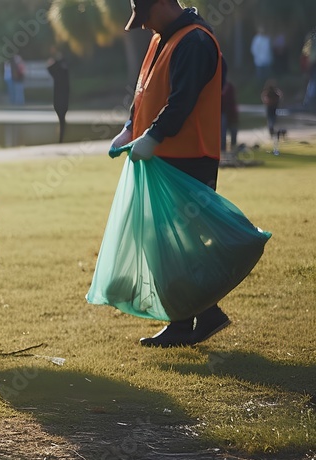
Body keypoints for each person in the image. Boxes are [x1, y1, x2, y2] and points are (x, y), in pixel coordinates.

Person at [109, 0, 230, 348]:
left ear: (164, 3)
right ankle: (190, 320)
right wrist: (131, 127)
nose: (144, 25)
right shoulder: (162, 37)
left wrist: (155, 134)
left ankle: (200, 316)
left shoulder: (195, 40)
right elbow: (145, 91)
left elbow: (183, 100)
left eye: (146, 16)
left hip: (191, 156)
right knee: (166, 243)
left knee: (183, 241)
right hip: (164, 158)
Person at [47, 49, 70, 144]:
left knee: (61, 117)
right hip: (61, 96)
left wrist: (55, 60)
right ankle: (61, 137)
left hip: (61, 96)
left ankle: (61, 138)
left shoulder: (60, 69)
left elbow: (49, 67)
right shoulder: (62, 69)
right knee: (61, 117)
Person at [261, 79, 283, 154]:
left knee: (272, 123)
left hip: (273, 111)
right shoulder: (271, 93)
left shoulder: (271, 93)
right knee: (272, 123)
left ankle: (274, 134)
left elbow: (265, 98)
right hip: (272, 111)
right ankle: (274, 134)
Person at [220, 80, 238, 154]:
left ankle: (232, 148)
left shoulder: (229, 86)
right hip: (223, 112)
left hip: (230, 113)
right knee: (223, 133)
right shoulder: (222, 87)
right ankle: (223, 150)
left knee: (233, 131)